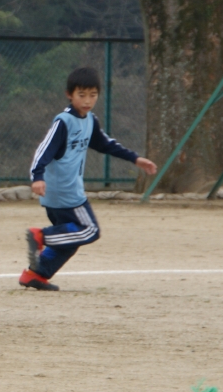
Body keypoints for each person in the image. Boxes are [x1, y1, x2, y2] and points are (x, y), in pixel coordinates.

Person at [20, 66, 158, 291]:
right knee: (89, 230)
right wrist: (37, 176)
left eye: (93, 95)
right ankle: (40, 236)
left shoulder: (90, 120)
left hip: (59, 194)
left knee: (70, 238)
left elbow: (106, 144)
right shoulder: (64, 122)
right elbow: (43, 150)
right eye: (81, 95)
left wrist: (135, 159)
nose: (87, 100)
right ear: (69, 94)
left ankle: (35, 274)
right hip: (65, 192)